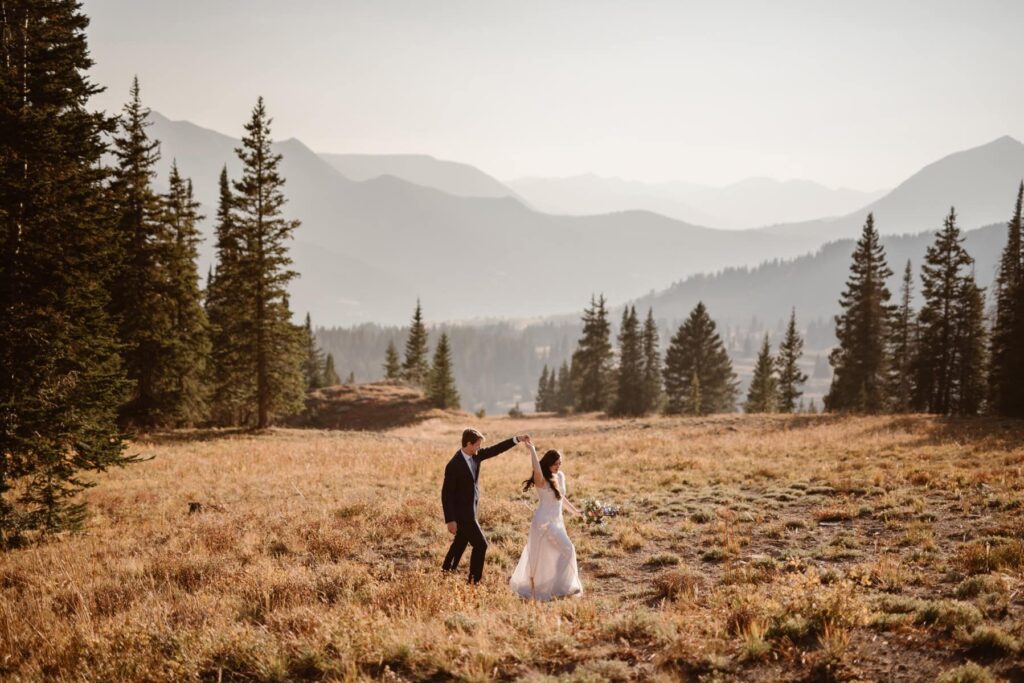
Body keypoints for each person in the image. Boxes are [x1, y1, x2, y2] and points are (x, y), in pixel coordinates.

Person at [441, 428, 528, 583]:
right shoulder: (454, 465)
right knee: (481, 545)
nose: (479, 448)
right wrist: (450, 520)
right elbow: (446, 495)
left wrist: (517, 439)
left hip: (471, 511)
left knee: (460, 543)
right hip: (462, 515)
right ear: (469, 444)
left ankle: (446, 571)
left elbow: (496, 449)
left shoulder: (476, 456)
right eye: (477, 445)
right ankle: (474, 581)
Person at [509, 436, 584, 600]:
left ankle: (556, 586)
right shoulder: (541, 478)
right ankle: (561, 588)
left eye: (559, 464)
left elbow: (561, 498)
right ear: (548, 463)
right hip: (543, 523)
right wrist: (533, 451)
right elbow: (536, 468)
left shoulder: (560, 476)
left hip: (557, 521)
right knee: (567, 549)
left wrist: (576, 512)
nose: (557, 467)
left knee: (555, 554)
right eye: (555, 464)